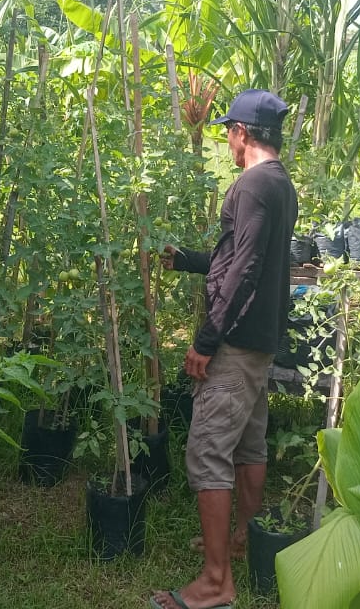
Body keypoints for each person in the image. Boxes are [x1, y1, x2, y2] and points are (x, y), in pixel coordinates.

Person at [151, 89, 298, 609]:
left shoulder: (253, 184)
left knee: (208, 451)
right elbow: (241, 254)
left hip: (234, 343)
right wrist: (190, 259)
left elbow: (245, 269)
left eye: (228, 133)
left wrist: (205, 340)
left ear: (243, 133)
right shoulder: (280, 183)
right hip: (260, 343)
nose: (227, 142)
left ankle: (216, 582)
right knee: (248, 445)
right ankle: (239, 541)